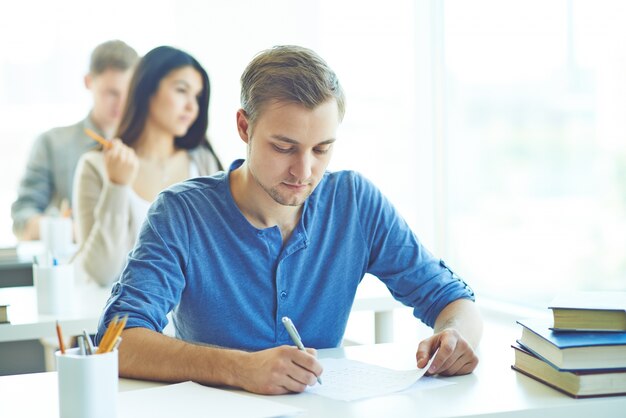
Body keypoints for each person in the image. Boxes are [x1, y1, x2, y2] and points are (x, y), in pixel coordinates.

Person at [96, 45, 482, 395]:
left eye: (322, 149)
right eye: (284, 147)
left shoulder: (354, 202)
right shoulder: (181, 213)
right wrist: (241, 368)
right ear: (245, 127)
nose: (304, 170)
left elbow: (452, 299)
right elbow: (118, 341)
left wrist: (453, 337)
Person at [72, 46, 222, 287]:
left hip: (189, 320)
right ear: (146, 89)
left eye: (197, 97)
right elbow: (102, 273)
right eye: (182, 90)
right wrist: (117, 186)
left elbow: (216, 259)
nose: (191, 106)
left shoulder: (203, 162)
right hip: (122, 320)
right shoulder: (96, 166)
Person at [11, 40, 139, 241]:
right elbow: (22, 219)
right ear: (88, 82)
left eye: (129, 93)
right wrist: (73, 231)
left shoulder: (149, 147)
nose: (121, 103)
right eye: (111, 93)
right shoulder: (51, 144)